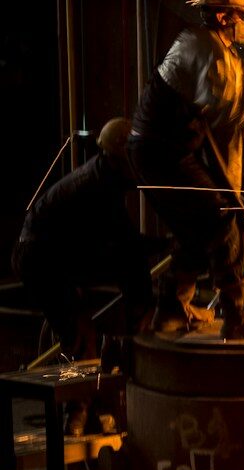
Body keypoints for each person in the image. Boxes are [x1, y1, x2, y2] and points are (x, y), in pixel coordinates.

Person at [130, 0, 244, 338]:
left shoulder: (203, 43)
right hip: (161, 153)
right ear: (223, 17)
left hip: (156, 151)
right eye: (243, 15)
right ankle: (239, 315)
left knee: (194, 228)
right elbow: (230, 111)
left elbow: (242, 84)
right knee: (221, 220)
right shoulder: (208, 53)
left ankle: (169, 308)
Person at [11, 118, 153, 359]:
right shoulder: (98, 185)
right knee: (79, 334)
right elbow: (124, 237)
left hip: (49, 253)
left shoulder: (104, 175)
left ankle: (128, 338)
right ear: (119, 157)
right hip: (38, 259)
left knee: (131, 264)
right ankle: (83, 387)